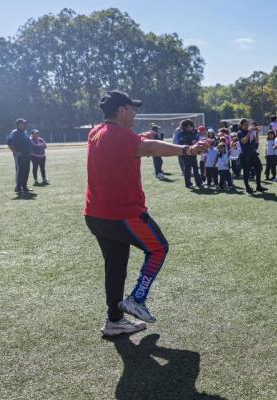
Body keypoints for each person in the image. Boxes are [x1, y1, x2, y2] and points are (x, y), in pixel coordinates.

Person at [84, 89, 208, 336]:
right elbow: (148, 148)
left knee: (115, 266)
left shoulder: (96, 132)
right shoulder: (123, 137)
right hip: (123, 214)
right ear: (121, 111)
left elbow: (126, 144)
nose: (135, 112)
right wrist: (187, 150)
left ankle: (114, 320)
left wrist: (140, 136)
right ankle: (136, 300)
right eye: (132, 108)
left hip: (95, 215)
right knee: (159, 248)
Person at [237, 119, 266, 194]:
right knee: (246, 171)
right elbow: (244, 141)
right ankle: (247, 188)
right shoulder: (240, 132)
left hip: (252, 153)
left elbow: (256, 141)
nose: (247, 126)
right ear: (241, 125)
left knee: (259, 167)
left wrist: (255, 132)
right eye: (245, 124)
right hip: (245, 155)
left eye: (248, 124)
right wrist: (250, 132)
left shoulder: (249, 131)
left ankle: (258, 186)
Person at [7, 118, 33, 195]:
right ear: (18, 125)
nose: (25, 125)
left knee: (26, 171)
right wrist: (15, 153)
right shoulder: (14, 132)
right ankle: (18, 188)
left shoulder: (25, 132)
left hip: (27, 155)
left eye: (25, 123)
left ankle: (24, 187)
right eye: (23, 123)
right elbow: (9, 143)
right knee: (20, 171)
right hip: (20, 155)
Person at [176, 120, 203, 189]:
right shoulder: (181, 134)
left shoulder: (194, 132)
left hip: (193, 153)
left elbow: (197, 140)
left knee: (195, 168)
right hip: (185, 153)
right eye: (189, 126)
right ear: (185, 127)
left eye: (191, 126)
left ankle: (199, 183)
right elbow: (180, 143)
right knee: (187, 169)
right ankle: (188, 184)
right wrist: (190, 141)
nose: (191, 127)